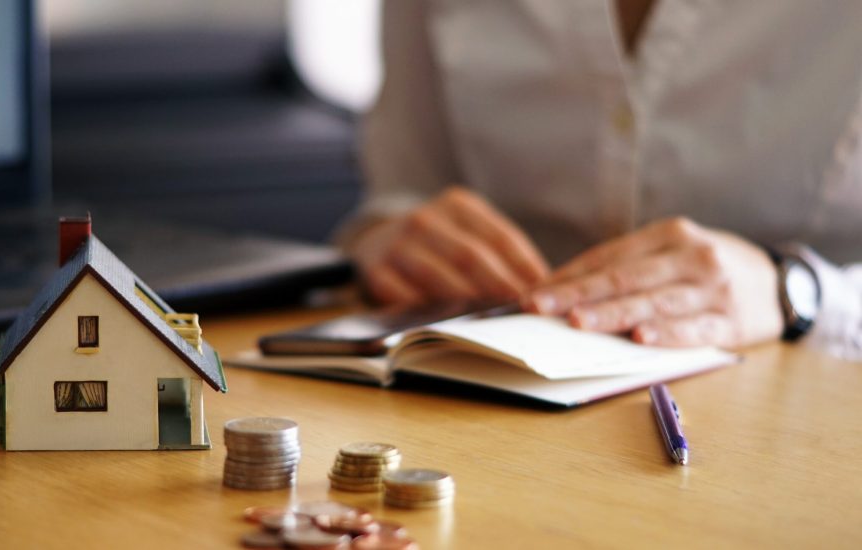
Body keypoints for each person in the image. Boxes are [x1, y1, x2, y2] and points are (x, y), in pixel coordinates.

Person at [341, 0, 862, 360]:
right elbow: (402, 189)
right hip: (482, 402)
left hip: (803, 422)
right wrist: (387, 239)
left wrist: (798, 293)